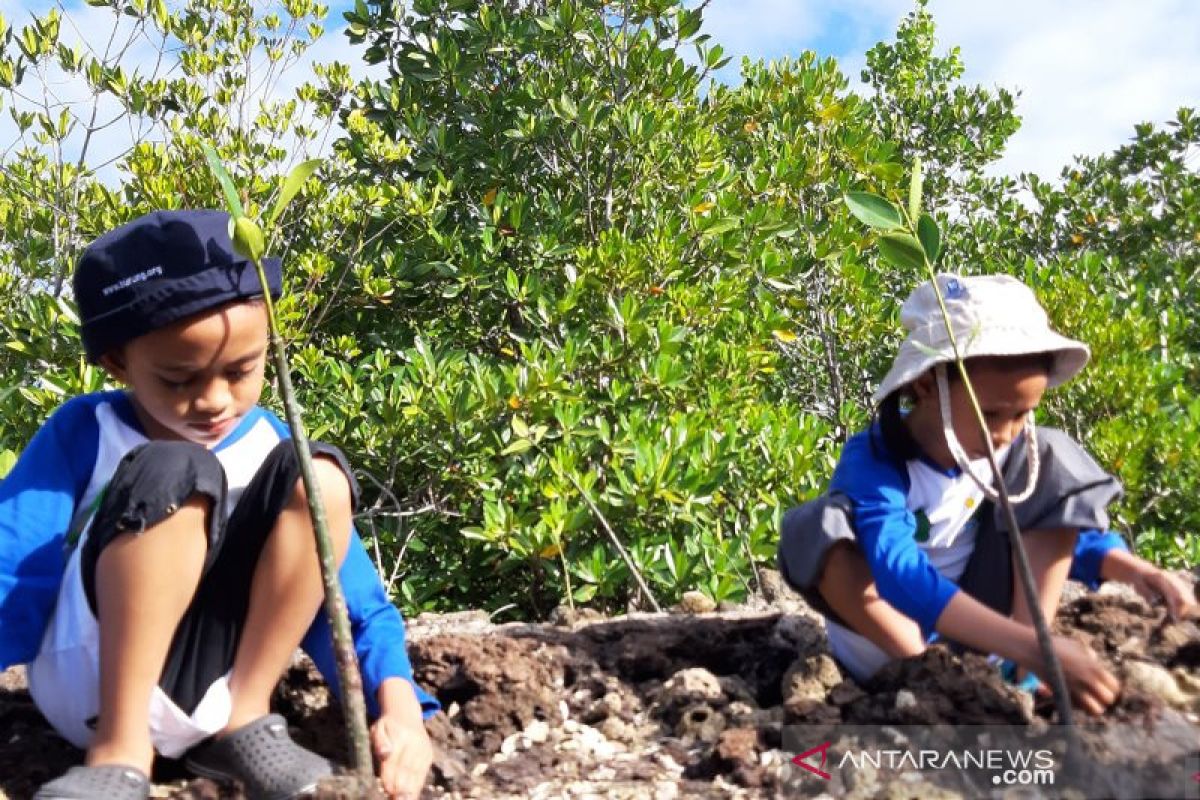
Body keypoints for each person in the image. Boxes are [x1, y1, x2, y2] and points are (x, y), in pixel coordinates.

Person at [0, 210, 440, 800]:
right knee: (176, 473)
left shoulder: (269, 444)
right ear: (118, 363)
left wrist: (401, 705)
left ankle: (245, 723)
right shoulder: (88, 430)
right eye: (178, 380)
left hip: (219, 688)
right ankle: (122, 752)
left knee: (321, 479)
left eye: (240, 371)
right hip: (94, 691)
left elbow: (350, 600)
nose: (213, 400)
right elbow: (14, 569)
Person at [777, 273, 1195, 714]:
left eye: (1023, 414)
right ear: (926, 385)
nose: (1007, 432)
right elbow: (899, 573)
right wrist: (1038, 648)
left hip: (996, 636)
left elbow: (1056, 527)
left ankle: (1018, 672)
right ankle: (935, 675)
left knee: (1054, 455)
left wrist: (1133, 570)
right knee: (819, 526)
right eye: (992, 413)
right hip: (892, 645)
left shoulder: (1012, 456)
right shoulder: (876, 462)